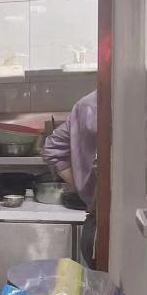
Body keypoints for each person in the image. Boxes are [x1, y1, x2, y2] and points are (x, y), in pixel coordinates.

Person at [42, 91, 97, 266]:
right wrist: (84, 187)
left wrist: (84, 187)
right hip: (104, 227)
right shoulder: (92, 106)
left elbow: (52, 149)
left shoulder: (86, 105)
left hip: (95, 223)